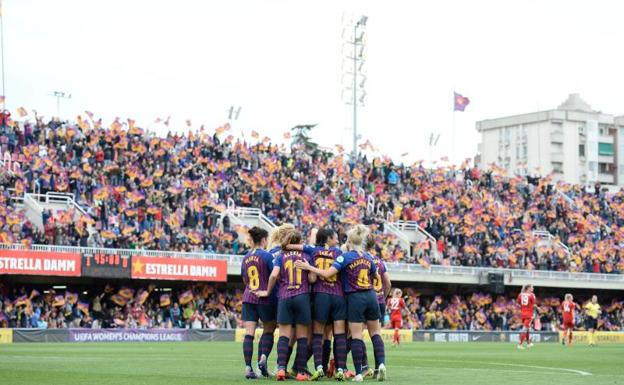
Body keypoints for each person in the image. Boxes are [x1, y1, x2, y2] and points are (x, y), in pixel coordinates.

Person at [296, 225, 387, 382]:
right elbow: (376, 276)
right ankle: (381, 365)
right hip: (372, 296)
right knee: (375, 334)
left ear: (350, 240)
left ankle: (358, 373)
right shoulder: (368, 257)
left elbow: (326, 273)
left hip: (355, 297)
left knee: (356, 335)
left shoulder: (344, 257)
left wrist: (308, 266)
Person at [286, 227, 348, 381]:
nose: (337, 239)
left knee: (317, 334)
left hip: (320, 295)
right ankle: (340, 369)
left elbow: (289, 246)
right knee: (339, 334)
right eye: (335, 236)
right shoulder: (339, 253)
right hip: (338, 296)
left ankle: (319, 367)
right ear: (328, 238)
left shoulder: (313, 250)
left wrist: (286, 241)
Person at [257, 229, 314, 381]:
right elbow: (313, 279)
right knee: (302, 336)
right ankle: (301, 372)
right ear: (299, 242)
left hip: (284, 297)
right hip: (302, 296)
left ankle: (281, 369)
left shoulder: (280, 256)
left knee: (284, 335)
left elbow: (274, 275)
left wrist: (267, 292)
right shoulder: (307, 256)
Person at [240, 226, 277, 379]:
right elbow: (274, 275)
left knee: (249, 334)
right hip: (264, 297)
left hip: (248, 297)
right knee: (269, 329)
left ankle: (248, 368)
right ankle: (263, 358)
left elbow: (244, 279)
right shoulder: (267, 256)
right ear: (263, 240)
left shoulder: (246, 257)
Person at [516, 284, 536, 350]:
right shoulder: (532, 295)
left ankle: (528, 343)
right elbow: (533, 305)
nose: (533, 288)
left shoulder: (520, 294)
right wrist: (537, 309)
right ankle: (520, 344)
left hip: (523, 314)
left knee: (527, 328)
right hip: (529, 314)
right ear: (528, 288)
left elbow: (518, 303)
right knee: (525, 329)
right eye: (532, 287)